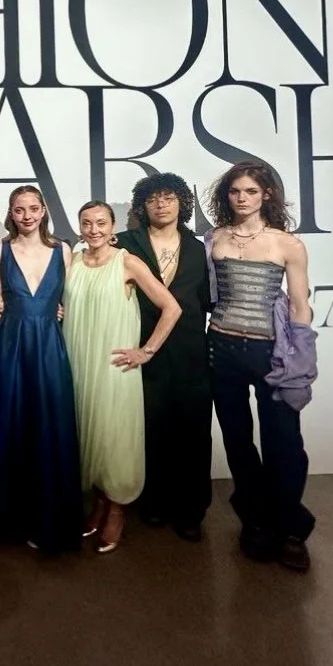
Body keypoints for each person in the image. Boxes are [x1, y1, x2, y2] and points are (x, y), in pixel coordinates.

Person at [205, 161, 317, 572]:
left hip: (270, 352)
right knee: (237, 440)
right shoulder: (214, 238)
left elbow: (300, 306)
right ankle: (255, 521)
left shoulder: (287, 244)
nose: (242, 198)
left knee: (283, 441)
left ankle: (290, 529)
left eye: (251, 191)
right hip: (221, 348)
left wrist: (301, 359)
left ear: (266, 194)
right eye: (235, 191)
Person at [64, 200, 181, 553]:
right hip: (78, 363)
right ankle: (100, 502)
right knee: (90, 436)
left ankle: (117, 509)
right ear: (80, 227)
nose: (94, 229)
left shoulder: (127, 262)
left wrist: (146, 351)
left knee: (115, 438)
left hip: (114, 367)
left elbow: (172, 308)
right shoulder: (72, 263)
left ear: (113, 227)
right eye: (87, 223)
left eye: (101, 222)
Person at [114, 173, 213, 542]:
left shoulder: (200, 248)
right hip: (141, 349)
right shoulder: (124, 244)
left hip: (191, 352)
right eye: (153, 198)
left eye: (169, 197)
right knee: (150, 429)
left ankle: (191, 511)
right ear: (143, 205)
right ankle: (153, 502)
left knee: (193, 433)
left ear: (182, 203)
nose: (161, 204)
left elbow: (206, 300)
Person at [0, 184, 82, 554]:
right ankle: (12, 521)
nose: (26, 216)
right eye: (19, 209)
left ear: (43, 211)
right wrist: (0, 308)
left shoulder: (63, 250)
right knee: (10, 426)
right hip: (11, 347)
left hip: (48, 347)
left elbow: (70, 298)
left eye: (33, 208)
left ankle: (50, 520)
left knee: (50, 426)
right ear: (11, 213)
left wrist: (60, 310)